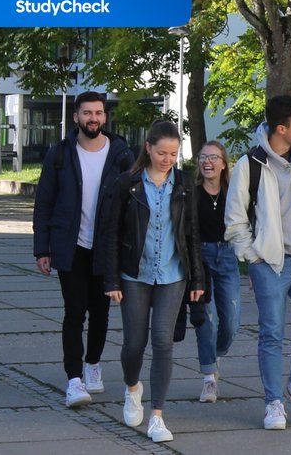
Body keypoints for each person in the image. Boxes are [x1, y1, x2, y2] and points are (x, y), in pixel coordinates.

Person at [225, 95, 291, 431]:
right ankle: (273, 402)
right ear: (281, 129)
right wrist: (252, 255)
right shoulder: (250, 165)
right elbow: (235, 219)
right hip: (269, 263)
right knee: (271, 333)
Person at [103, 120, 203, 444]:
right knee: (134, 344)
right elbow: (111, 234)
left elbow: (192, 234)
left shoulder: (184, 184)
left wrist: (197, 279)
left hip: (173, 275)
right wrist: (111, 278)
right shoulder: (127, 184)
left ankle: (157, 416)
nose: (168, 160)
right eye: (162, 153)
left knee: (162, 341)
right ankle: (133, 387)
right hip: (135, 275)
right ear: (148, 148)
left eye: (174, 154)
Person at [32, 92, 133, 409]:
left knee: (101, 312)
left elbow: (133, 204)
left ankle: (92, 364)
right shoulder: (60, 154)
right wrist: (42, 248)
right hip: (70, 245)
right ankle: (74, 380)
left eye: (98, 113)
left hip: (107, 247)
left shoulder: (121, 154)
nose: (93, 118)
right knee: (74, 311)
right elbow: (44, 203)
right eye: (87, 113)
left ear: (105, 117)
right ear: (76, 116)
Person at [186, 141, 241, 403]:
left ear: (224, 164)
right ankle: (209, 378)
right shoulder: (192, 193)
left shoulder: (234, 193)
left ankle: (215, 355)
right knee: (206, 320)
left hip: (228, 255)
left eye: (213, 157)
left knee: (231, 322)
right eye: (203, 157)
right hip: (201, 258)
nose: (207, 162)